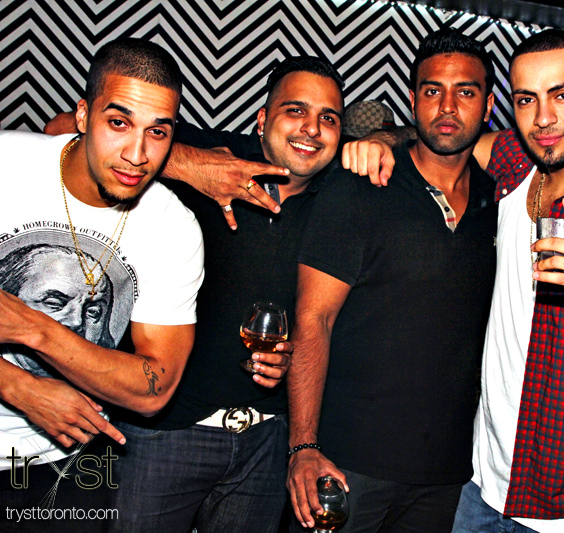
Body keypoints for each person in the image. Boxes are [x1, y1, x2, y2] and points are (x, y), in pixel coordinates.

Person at [343, 29, 564, 532]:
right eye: (526, 99)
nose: (543, 118)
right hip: (481, 481)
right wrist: (381, 140)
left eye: (563, 95)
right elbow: (446, 133)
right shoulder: (514, 161)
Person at [102, 56, 344, 533]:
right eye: (295, 110)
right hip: (163, 433)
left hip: (266, 443)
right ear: (262, 119)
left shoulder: (341, 194)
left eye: (329, 118)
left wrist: (381, 143)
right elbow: (66, 129)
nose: (312, 129)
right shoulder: (216, 155)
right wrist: (190, 164)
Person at [287, 29, 498, 533]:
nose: (447, 106)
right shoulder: (361, 185)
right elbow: (313, 318)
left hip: (448, 474)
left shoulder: (501, 200)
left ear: (488, 106)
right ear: (412, 100)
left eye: (466, 92)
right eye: (432, 90)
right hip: (346, 463)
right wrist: (303, 446)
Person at [0, 38, 204, 531]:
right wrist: (16, 385)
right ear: (83, 115)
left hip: (63, 462)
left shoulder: (172, 226)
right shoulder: (7, 165)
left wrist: (36, 329)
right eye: (119, 123)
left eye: (157, 132)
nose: (137, 154)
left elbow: (154, 388)